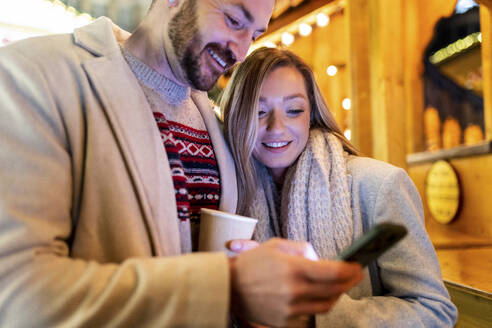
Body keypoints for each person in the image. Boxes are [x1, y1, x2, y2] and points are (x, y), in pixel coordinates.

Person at [0, 1, 364, 327]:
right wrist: (226, 286)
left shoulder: (218, 125)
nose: (240, 51)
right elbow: (17, 294)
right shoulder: (33, 75)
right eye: (235, 19)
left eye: (254, 34)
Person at [222, 47, 458, 327]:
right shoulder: (231, 193)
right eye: (259, 112)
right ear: (237, 118)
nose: (276, 127)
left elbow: (435, 311)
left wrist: (317, 318)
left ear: (310, 115)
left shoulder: (379, 185)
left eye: (294, 110)